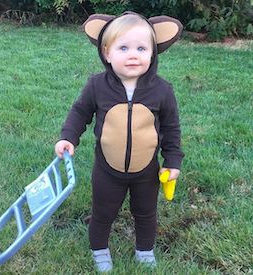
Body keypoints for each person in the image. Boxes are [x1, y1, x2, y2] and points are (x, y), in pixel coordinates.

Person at [55, 11, 184, 272]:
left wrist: (172, 161)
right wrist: (68, 137)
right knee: (103, 212)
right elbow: (80, 112)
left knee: (146, 213)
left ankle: (145, 250)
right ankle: (99, 249)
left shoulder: (162, 90)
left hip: (146, 171)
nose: (133, 54)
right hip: (107, 170)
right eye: (123, 47)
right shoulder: (97, 86)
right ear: (107, 53)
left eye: (141, 48)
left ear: (152, 53)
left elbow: (171, 129)